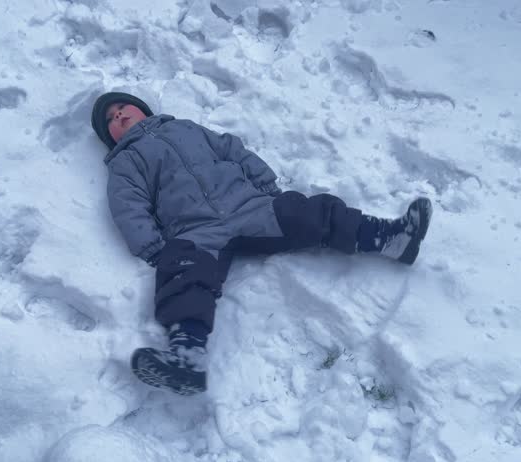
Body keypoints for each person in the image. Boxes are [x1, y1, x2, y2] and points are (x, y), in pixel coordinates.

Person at [90, 92, 432, 395]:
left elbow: (230, 148)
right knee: (182, 271)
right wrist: (152, 246)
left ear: (143, 109)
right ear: (111, 138)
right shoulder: (126, 162)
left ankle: (390, 237)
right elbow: (127, 205)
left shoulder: (185, 127)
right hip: (196, 230)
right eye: (111, 120)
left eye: (122, 107)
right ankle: (185, 356)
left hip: (249, 206)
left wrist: (264, 182)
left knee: (310, 213)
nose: (118, 115)